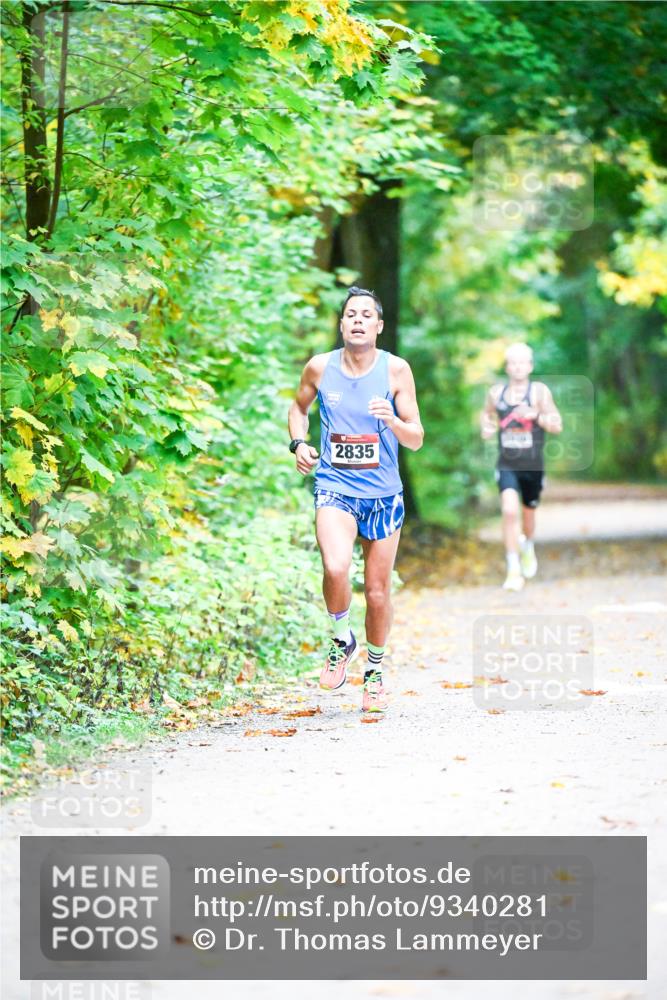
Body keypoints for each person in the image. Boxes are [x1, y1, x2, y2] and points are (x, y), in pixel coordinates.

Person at [288, 286, 424, 712]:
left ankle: (376, 672)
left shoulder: (396, 371)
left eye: (367, 314)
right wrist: (298, 443)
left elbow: (416, 438)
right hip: (335, 487)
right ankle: (342, 637)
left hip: (384, 495)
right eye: (351, 314)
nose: (359, 320)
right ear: (342, 324)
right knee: (335, 566)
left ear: (379, 326)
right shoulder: (319, 367)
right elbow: (298, 408)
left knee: (378, 591)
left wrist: (393, 421)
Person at [481, 343, 562, 591]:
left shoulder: (539, 392)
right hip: (507, 464)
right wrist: (487, 427)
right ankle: (513, 568)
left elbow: (557, 425)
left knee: (528, 515)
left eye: (522, 362)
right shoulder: (496, 393)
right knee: (508, 511)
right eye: (512, 363)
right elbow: (486, 416)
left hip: (533, 466)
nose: (517, 367)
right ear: (507, 367)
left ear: (530, 366)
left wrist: (536, 415)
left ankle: (527, 545)